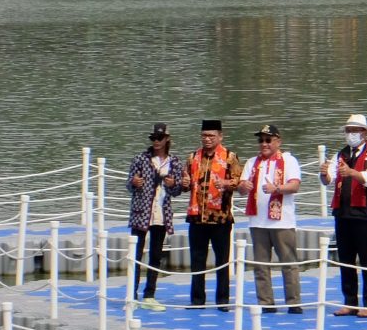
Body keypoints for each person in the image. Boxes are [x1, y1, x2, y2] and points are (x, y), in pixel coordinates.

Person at [320, 114, 367, 318]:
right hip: (343, 213)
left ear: (364, 133)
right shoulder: (341, 154)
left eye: (354, 130)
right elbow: (329, 181)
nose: (351, 134)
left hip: (364, 214)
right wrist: (324, 174)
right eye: (348, 131)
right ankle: (349, 301)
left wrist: (352, 172)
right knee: (346, 259)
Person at [237, 124, 303, 314]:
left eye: (268, 140)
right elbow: (241, 188)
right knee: (261, 265)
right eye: (261, 140)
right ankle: (266, 302)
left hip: (282, 221)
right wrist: (244, 187)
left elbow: (295, 186)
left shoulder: (288, 161)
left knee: (288, 263)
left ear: (278, 141)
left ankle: (294, 302)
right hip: (258, 221)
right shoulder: (252, 162)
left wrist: (277, 189)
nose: (264, 144)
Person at [181, 120, 242, 311]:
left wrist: (226, 183)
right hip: (197, 216)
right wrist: (182, 183)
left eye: (211, 136)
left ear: (220, 136)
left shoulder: (230, 157)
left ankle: (222, 300)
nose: (207, 139)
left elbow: (239, 182)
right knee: (197, 259)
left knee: (222, 260)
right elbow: (185, 184)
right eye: (204, 136)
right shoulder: (192, 158)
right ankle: (197, 300)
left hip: (220, 217)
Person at [126, 123, 183, 311]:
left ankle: (149, 295)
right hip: (141, 213)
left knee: (156, 256)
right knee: (135, 254)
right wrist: (134, 182)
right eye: (153, 139)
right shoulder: (141, 159)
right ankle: (131, 295)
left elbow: (177, 191)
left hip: (161, 213)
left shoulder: (174, 162)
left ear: (167, 139)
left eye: (159, 138)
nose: (156, 142)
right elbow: (128, 185)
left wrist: (174, 183)